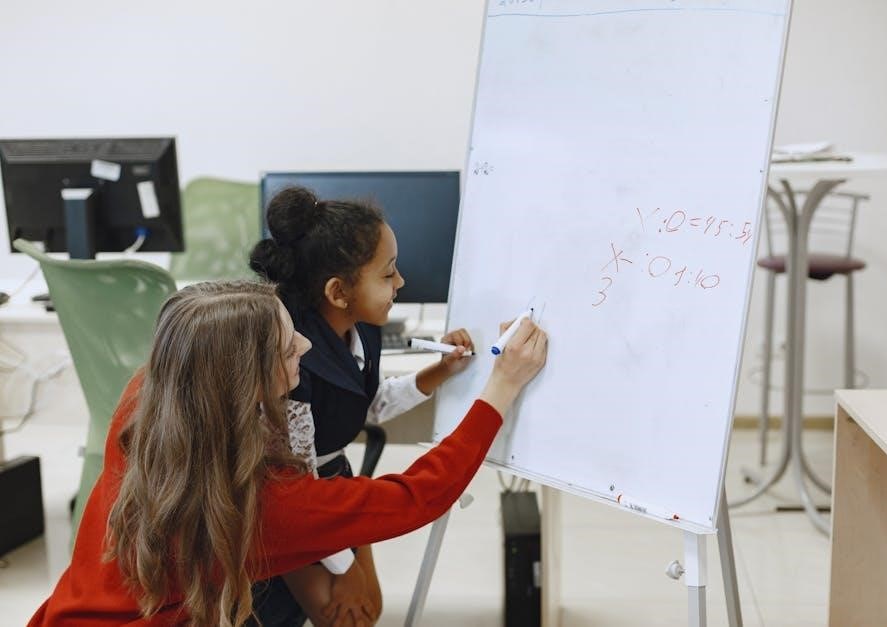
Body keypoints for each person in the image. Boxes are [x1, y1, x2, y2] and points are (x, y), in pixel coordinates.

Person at [28, 280, 547, 626]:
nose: (305, 345)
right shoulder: (259, 504)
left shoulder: (149, 399)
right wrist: (501, 387)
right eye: (285, 346)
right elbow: (418, 496)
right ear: (242, 380)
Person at [248, 186, 473, 625]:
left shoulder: (363, 328)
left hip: (330, 482)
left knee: (366, 609)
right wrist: (345, 565)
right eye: (388, 274)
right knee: (345, 615)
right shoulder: (293, 362)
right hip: (280, 502)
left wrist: (441, 370)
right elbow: (296, 489)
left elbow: (365, 404)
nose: (400, 283)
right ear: (338, 292)